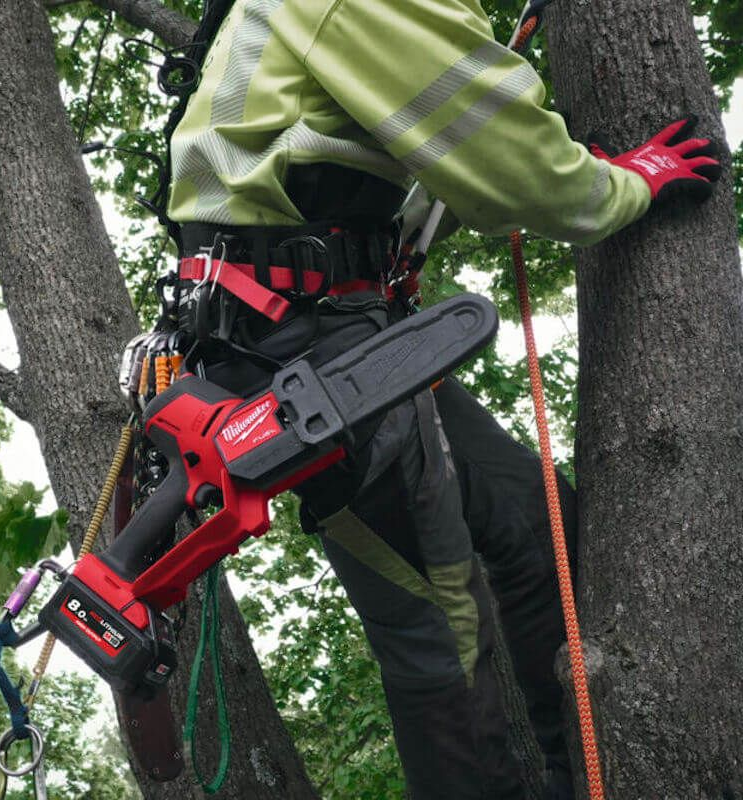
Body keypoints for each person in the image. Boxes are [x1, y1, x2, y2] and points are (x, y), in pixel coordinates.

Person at [163, 1, 721, 797]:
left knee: (536, 523)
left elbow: (430, 170)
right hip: (300, 342)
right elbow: (511, 165)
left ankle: (578, 776)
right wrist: (621, 183)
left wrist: (551, 165)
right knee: (439, 624)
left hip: (334, 332)